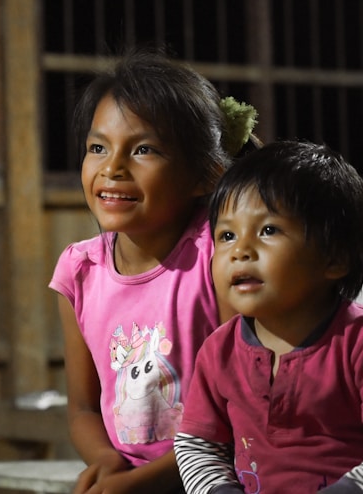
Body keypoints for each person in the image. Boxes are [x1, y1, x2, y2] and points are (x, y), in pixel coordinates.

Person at [49, 47, 258, 494]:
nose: (112, 168)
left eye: (143, 149)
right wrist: (107, 461)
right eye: (97, 147)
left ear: (206, 174)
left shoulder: (218, 258)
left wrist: (142, 483)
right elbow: (83, 408)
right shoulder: (79, 272)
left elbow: (242, 413)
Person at [175, 141, 363, 494]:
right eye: (226, 235)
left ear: (335, 258)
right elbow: (197, 445)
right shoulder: (218, 350)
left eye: (268, 230)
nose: (240, 251)